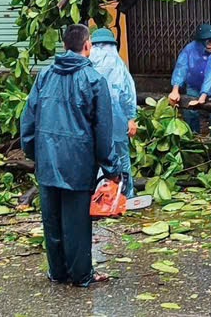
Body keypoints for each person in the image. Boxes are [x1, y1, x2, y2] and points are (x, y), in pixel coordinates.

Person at [20, 24, 119, 287]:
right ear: (87, 46)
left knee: (52, 221)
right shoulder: (95, 81)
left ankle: (58, 272)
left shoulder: (45, 76)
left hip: (48, 161)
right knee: (76, 223)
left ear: (65, 45)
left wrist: (34, 152)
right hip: (78, 163)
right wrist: (111, 168)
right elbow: (103, 130)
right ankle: (81, 275)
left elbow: (27, 119)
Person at [89, 28, 137, 198]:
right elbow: (128, 95)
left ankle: (97, 198)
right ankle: (124, 197)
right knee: (121, 158)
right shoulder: (119, 66)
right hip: (118, 122)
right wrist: (131, 119)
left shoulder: (87, 68)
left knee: (95, 159)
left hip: (93, 124)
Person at [167, 23, 211, 133]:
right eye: (208, 41)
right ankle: (193, 135)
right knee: (189, 110)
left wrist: (202, 97)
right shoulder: (189, 50)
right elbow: (181, 68)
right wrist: (175, 90)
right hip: (194, 84)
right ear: (200, 42)